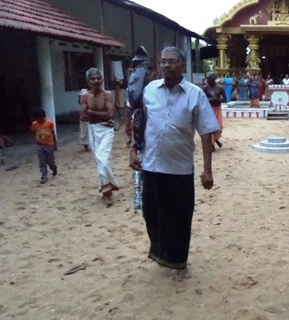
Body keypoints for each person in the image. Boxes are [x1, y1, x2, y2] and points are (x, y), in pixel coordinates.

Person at [129, 46, 219, 274]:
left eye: (171, 61)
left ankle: (178, 261)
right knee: (151, 213)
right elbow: (138, 121)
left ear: (182, 65)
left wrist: (207, 170)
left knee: (179, 217)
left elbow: (206, 133)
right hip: (151, 165)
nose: (166, 65)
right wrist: (133, 149)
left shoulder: (194, 94)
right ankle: (161, 254)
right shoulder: (149, 90)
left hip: (180, 168)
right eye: (163, 61)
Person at [79, 68, 119, 206]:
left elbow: (110, 114)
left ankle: (107, 191)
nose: (96, 81)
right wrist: (95, 114)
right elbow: (82, 117)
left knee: (103, 158)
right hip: (93, 130)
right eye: (93, 78)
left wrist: (90, 112)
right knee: (99, 161)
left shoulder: (107, 95)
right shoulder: (84, 96)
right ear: (88, 81)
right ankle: (107, 191)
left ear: (102, 79)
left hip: (107, 130)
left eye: (98, 78)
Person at [30, 107, 58, 184]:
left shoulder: (49, 123)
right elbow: (33, 132)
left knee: (50, 161)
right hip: (40, 145)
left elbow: (53, 133)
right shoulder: (34, 124)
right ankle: (44, 176)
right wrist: (36, 139)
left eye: (40, 117)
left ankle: (53, 168)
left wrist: (55, 144)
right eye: (37, 118)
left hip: (49, 145)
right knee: (42, 161)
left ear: (43, 116)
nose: (39, 119)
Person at [203, 72, 226, 150]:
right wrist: (210, 99)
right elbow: (203, 99)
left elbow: (225, 99)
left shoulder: (220, 87)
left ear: (213, 79)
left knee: (219, 127)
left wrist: (218, 99)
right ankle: (212, 144)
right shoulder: (205, 88)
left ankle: (215, 140)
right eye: (207, 78)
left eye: (209, 78)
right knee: (211, 126)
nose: (207, 80)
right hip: (209, 109)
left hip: (217, 108)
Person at [77, 87, 90, 152]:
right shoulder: (84, 91)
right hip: (85, 114)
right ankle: (86, 147)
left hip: (91, 114)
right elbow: (79, 101)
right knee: (84, 130)